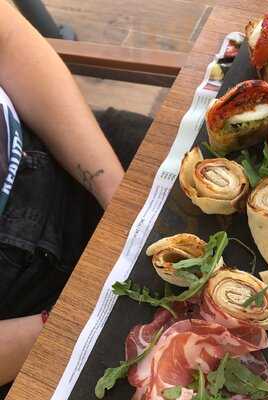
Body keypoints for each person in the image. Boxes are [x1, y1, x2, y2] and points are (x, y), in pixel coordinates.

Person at [0, 0, 152, 393]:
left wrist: (118, 195)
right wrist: (79, 323)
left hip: (56, 146)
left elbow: (7, 40)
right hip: (17, 315)